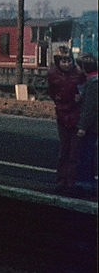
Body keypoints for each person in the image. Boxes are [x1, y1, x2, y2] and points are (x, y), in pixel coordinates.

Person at [47, 47, 84, 191]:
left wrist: (80, 99)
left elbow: (84, 89)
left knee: (74, 151)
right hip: (62, 113)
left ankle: (71, 180)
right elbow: (51, 92)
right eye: (63, 61)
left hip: (76, 113)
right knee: (64, 149)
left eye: (68, 60)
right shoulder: (52, 74)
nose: (67, 64)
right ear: (58, 62)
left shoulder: (79, 73)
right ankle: (61, 179)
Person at [76, 52, 98, 194]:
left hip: (92, 126)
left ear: (83, 67)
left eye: (78, 66)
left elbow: (90, 107)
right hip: (94, 125)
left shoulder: (92, 82)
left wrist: (82, 127)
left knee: (86, 153)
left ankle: (85, 183)